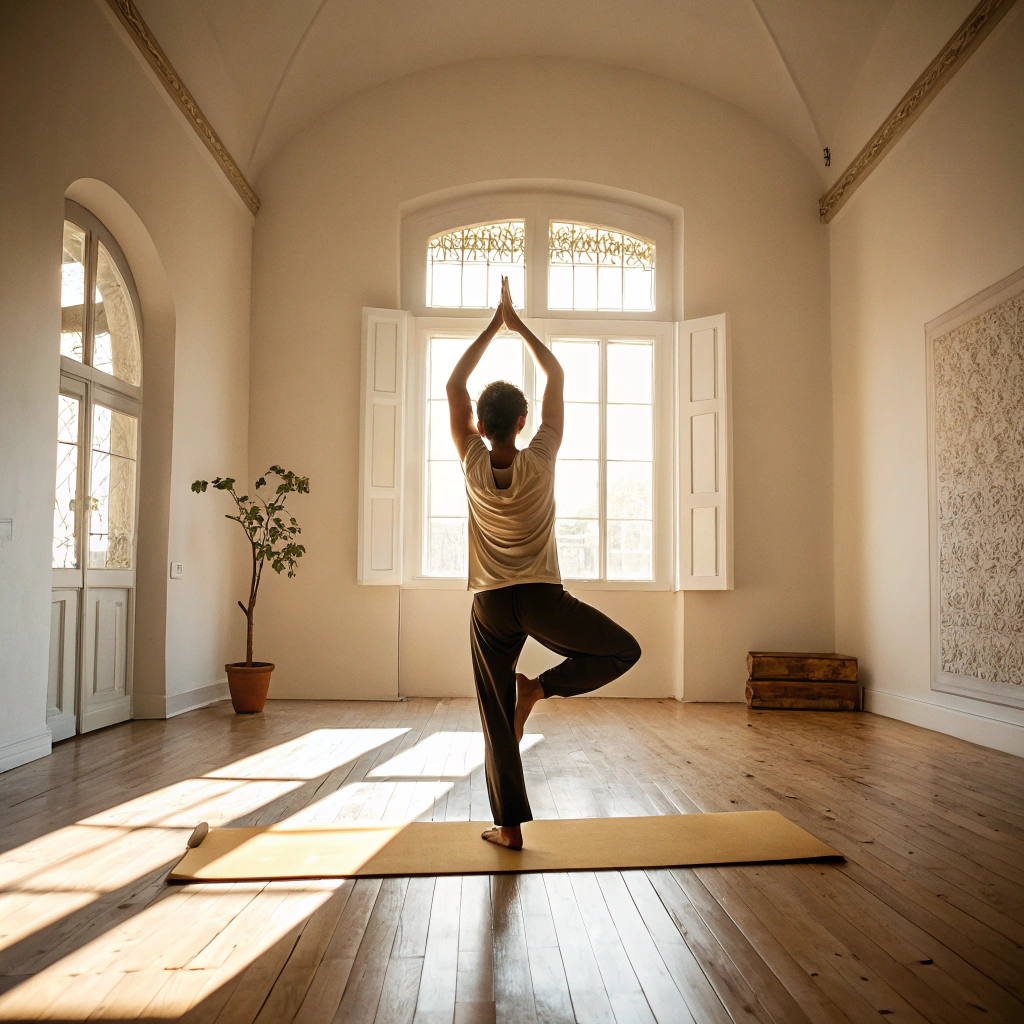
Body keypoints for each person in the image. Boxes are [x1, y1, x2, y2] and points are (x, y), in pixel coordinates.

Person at [446, 277, 642, 849]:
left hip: (490, 605)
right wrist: (519, 324)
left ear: (481, 427)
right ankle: (540, 689)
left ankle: (509, 828)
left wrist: (492, 324)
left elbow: (456, 383)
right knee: (622, 649)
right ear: (525, 422)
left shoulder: (471, 462)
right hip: (539, 598)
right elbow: (556, 375)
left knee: (493, 708)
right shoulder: (542, 457)